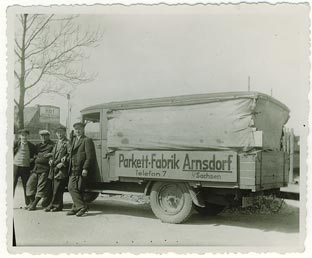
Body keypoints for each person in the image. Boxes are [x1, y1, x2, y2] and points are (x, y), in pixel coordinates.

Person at [67, 122, 96, 217]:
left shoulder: (87, 140)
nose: (77, 131)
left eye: (79, 129)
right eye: (76, 129)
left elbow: (89, 156)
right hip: (73, 168)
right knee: (71, 187)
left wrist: (85, 168)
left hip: (81, 168)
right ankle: (81, 206)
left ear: (83, 130)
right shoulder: (73, 140)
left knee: (79, 188)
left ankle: (76, 207)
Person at [26, 130, 54, 211]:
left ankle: (34, 204)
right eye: (42, 136)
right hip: (36, 168)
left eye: (45, 135)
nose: (43, 137)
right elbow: (34, 154)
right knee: (29, 184)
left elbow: (56, 153)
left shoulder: (52, 145)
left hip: (45, 169)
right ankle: (31, 203)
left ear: (49, 136)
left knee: (41, 186)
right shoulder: (37, 146)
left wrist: (51, 155)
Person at [44, 126, 69, 212]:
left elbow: (70, 155)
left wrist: (63, 163)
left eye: (61, 132)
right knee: (54, 188)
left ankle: (54, 205)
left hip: (62, 169)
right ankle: (57, 205)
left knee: (58, 188)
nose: (59, 134)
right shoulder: (57, 143)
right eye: (58, 132)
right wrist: (50, 160)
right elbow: (53, 154)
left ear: (65, 133)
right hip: (54, 168)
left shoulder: (68, 143)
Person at [13, 129, 37, 207]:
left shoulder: (31, 145)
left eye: (25, 135)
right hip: (16, 166)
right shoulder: (16, 143)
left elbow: (35, 156)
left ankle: (28, 203)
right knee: (13, 184)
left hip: (26, 167)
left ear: (28, 136)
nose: (24, 137)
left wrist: (32, 159)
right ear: (20, 136)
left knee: (26, 185)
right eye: (22, 135)